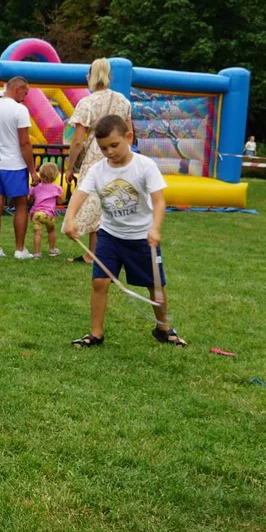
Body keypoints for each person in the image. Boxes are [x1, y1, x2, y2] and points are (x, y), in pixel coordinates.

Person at [64, 115, 184, 348]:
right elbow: (80, 194)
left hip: (142, 238)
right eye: (103, 148)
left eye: (114, 145)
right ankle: (96, 334)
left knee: (155, 285)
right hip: (109, 236)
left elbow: (159, 201)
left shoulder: (144, 166)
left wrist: (155, 228)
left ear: (128, 137)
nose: (109, 152)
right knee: (100, 282)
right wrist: (70, 219)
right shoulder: (98, 170)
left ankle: (163, 328)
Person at [66, 58, 132, 263]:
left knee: (94, 202)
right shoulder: (123, 101)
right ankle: (99, 253)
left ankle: (94, 253)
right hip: (120, 154)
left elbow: (77, 140)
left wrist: (70, 167)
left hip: (96, 154)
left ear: (90, 77)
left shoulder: (87, 103)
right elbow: (130, 132)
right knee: (112, 202)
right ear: (110, 77)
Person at [0, 76, 36, 259]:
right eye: (25, 93)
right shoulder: (20, 110)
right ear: (18, 89)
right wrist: (33, 170)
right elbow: (25, 142)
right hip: (15, 165)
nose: (25, 97)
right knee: (20, 205)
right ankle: (20, 249)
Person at [28, 162, 62, 257]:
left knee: (37, 233)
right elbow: (59, 202)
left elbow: (31, 200)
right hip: (48, 215)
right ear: (55, 176)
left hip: (37, 214)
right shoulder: (57, 188)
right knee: (51, 230)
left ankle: (37, 253)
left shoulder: (35, 188)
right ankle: (52, 250)